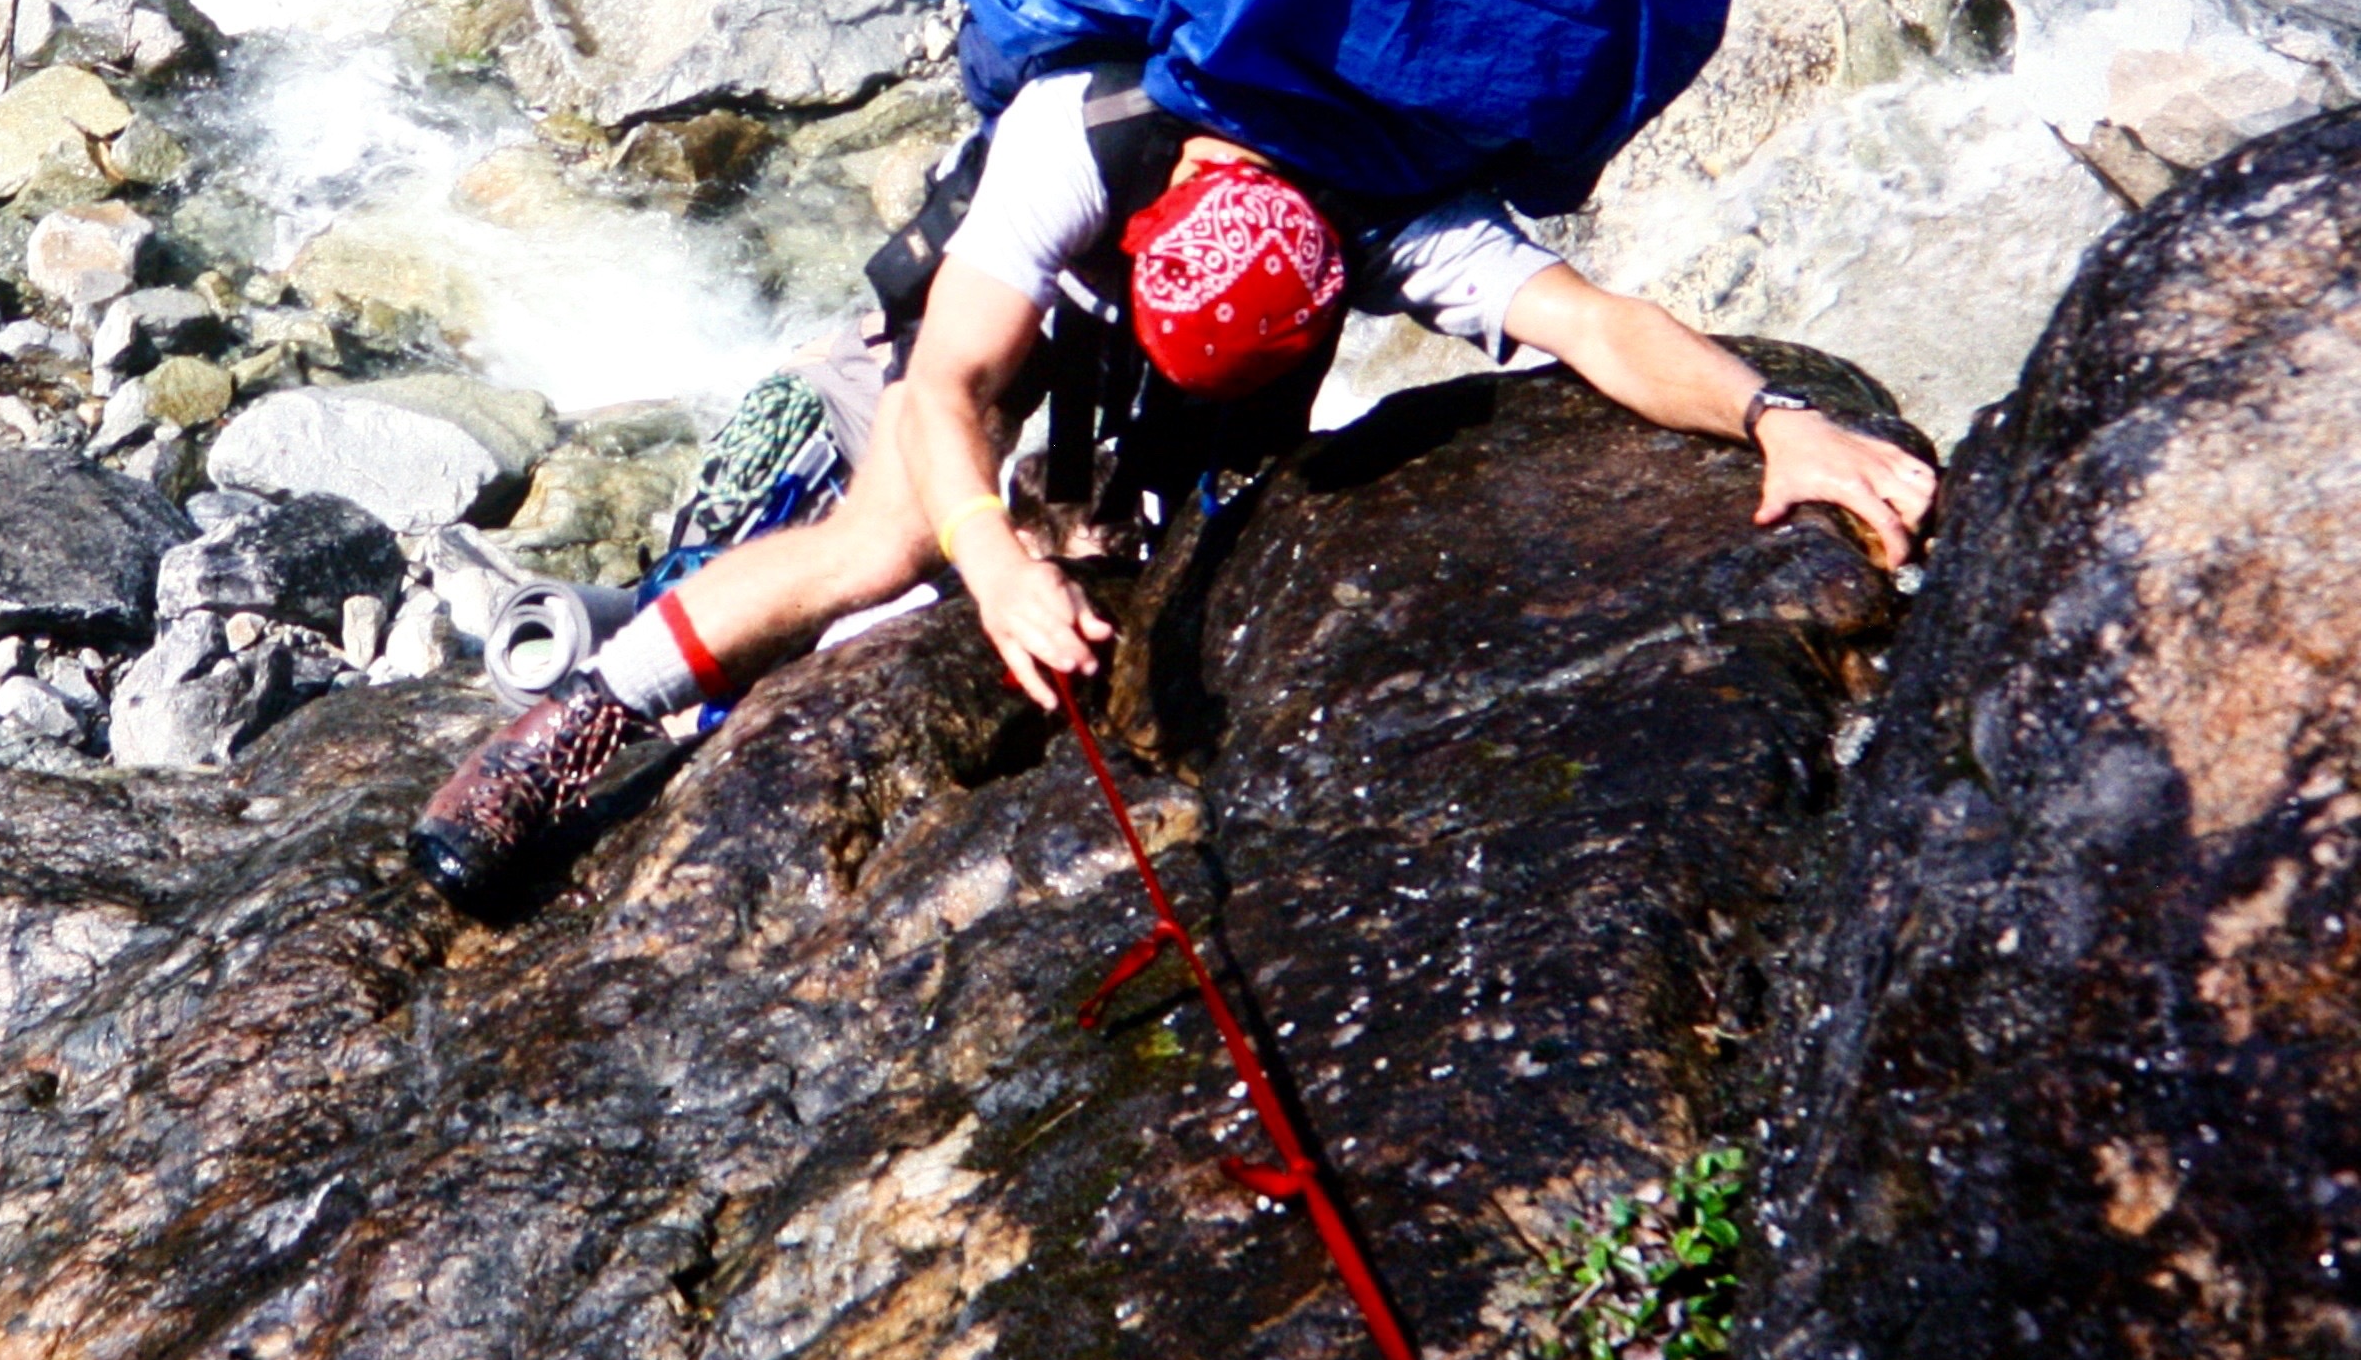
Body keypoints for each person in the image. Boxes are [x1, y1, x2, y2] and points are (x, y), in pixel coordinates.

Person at [409, 68, 1943, 913]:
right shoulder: (1071, 138)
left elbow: (1598, 327)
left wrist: (1774, 416)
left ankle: (1109, 502)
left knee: (1145, 547)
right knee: (882, 539)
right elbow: (947, 390)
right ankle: (564, 735)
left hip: (1207, 402)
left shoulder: (1393, 204)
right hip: (1009, 318)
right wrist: (989, 555)